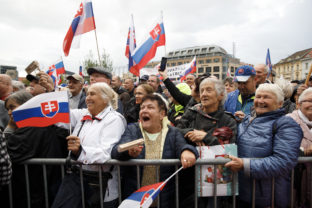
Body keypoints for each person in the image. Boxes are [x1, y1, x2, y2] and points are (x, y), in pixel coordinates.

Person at [111, 94, 198, 208]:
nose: (144, 110)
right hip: (135, 199)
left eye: (150, 107)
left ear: (162, 114)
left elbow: (183, 146)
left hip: (164, 199)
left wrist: (187, 151)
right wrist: (128, 152)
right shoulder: (132, 129)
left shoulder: (173, 132)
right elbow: (116, 150)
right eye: (142, 108)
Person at [225, 83, 303, 208]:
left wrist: (244, 165)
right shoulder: (246, 120)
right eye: (258, 96)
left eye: (266, 97)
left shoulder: (286, 125)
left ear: (280, 103)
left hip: (268, 198)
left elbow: (283, 161)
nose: (261, 101)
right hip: (242, 194)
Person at [58, 82, 126, 208]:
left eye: (92, 94)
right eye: (87, 93)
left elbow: (106, 153)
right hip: (76, 179)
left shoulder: (114, 119)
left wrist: (79, 151)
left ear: (105, 99)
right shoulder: (84, 114)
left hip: (99, 184)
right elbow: (59, 117)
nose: (87, 97)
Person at [176, 78, 237, 207]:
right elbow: (176, 132)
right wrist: (192, 132)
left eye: (208, 90)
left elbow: (229, 147)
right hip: (189, 176)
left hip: (216, 179)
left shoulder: (228, 120)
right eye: (202, 90)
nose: (203, 94)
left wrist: (205, 136)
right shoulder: (192, 112)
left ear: (220, 95)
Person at [3, 90, 68, 208]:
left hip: (36, 188)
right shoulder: (39, 125)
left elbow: (9, 152)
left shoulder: (33, 127)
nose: (9, 112)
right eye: (7, 109)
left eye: (12, 107)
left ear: (26, 105)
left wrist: (10, 128)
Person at [287, 88, 312, 207]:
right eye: (309, 101)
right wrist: (305, 151)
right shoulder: (287, 121)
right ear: (299, 103)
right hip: (294, 183)